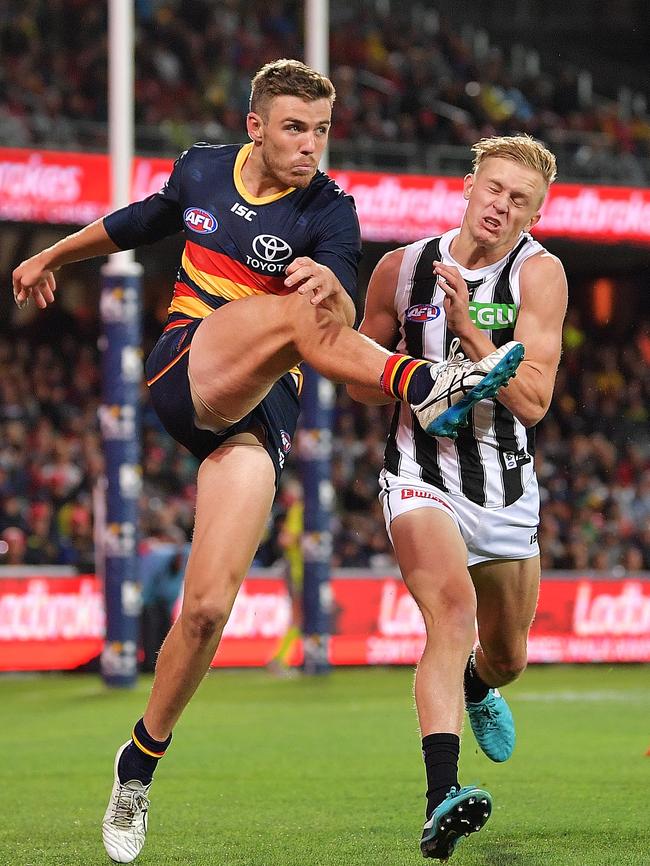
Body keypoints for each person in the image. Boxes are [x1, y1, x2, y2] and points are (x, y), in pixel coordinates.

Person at [12, 60, 524, 864]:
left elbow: (345, 312)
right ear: (256, 127)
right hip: (190, 367)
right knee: (289, 315)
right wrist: (51, 257)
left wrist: (337, 291)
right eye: (294, 128)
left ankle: (137, 766)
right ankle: (426, 383)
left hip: (258, 420)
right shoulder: (203, 169)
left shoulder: (332, 211)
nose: (310, 146)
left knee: (209, 608)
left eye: (321, 130)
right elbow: (139, 222)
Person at [347, 134, 567, 860]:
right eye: (495, 189)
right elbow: (355, 377)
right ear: (469, 184)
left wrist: (470, 334)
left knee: (506, 656)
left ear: (535, 213)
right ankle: (442, 794)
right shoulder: (400, 269)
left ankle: (479, 686)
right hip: (419, 472)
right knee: (451, 613)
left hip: (504, 487)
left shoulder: (540, 276)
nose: (503, 206)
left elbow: (533, 402)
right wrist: (407, 374)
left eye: (521, 200)